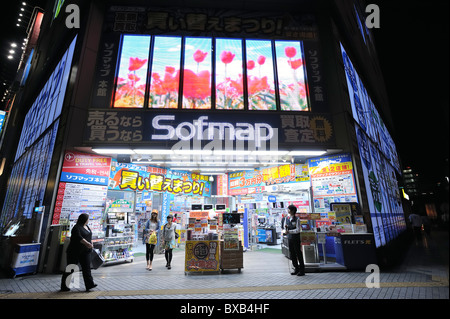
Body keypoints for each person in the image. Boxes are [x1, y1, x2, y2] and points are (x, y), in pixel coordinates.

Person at [60, 213, 97, 292]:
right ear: (84, 219)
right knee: (71, 268)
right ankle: (64, 286)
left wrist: (91, 243)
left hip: (85, 252)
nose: (88, 220)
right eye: (87, 219)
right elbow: (79, 237)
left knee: (87, 268)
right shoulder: (76, 227)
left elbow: (89, 236)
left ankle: (89, 284)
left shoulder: (87, 226)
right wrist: (87, 243)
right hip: (74, 251)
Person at [285, 205, 305, 276]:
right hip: (290, 238)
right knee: (292, 254)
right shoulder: (287, 218)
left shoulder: (297, 219)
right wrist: (286, 230)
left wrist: (289, 231)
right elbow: (285, 227)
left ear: (293, 211)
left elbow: (298, 230)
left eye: (289, 209)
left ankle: (302, 270)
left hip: (296, 238)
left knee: (298, 253)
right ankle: (296, 268)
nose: (288, 210)